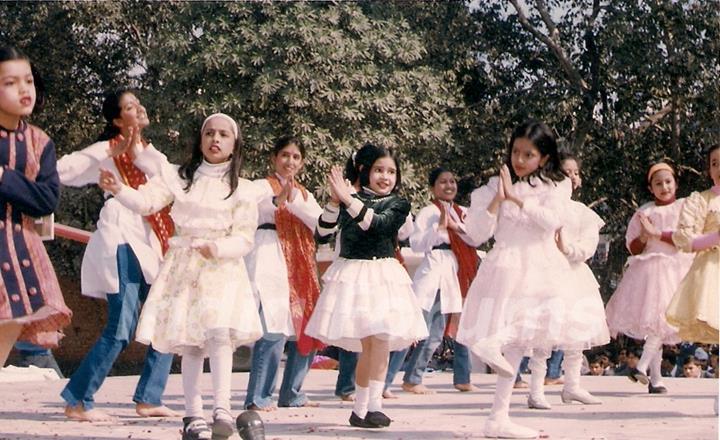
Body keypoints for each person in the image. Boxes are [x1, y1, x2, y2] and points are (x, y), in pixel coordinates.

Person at [99, 113, 264, 440]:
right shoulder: (178, 177)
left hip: (221, 268)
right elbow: (146, 202)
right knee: (190, 342)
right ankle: (193, 413)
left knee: (219, 336)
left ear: (234, 144)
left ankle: (223, 410)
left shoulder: (243, 190)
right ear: (200, 139)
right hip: (184, 266)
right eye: (209, 134)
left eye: (223, 135)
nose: (215, 140)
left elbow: (244, 239)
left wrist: (217, 248)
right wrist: (119, 189)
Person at [58, 89, 177, 421]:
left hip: (153, 242)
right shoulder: (106, 155)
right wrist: (110, 148)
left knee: (166, 319)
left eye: (137, 102)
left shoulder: (152, 155)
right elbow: (63, 170)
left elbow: (173, 181)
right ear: (115, 120)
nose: (138, 108)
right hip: (121, 238)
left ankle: (150, 397)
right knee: (121, 327)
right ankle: (78, 401)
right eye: (128, 106)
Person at [457, 120, 573, 438]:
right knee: (511, 335)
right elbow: (476, 234)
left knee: (527, 335)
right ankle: (490, 349)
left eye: (529, 154)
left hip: (540, 264)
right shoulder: (494, 185)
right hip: (506, 263)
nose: (519, 160)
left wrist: (518, 199)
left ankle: (498, 416)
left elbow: (553, 222)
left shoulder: (555, 187)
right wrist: (499, 198)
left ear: (545, 159)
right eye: (516, 152)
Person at [306, 143, 427, 429]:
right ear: (365, 171)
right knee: (368, 344)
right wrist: (335, 201)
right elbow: (322, 232)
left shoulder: (398, 204)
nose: (385, 177)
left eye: (391, 172)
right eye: (379, 170)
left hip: (383, 275)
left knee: (381, 340)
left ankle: (373, 406)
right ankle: (361, 408)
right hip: (355, 276)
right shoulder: (350, 201)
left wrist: (348, 200)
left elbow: (379, 225)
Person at [0, 45, 71, 375]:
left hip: (23, 253)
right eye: (10, 83)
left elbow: (46, 200)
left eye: (27, 80)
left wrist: (4, 178)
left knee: (12, 320)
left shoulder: (40, 142)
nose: (23, 90)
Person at [243, 135, 324, 410]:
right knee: (272, 329)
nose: (290, 161)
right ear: (274, 158)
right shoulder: (259, 186)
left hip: (299, 262)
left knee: (307, 326)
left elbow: (321, 223)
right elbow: (245, 212)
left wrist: (294, 202)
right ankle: (258, 397)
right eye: (285, 155)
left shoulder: (304, 193)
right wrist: (278, 200)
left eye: (296, 157)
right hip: (268, 255)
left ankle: (292, 393)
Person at [526, 152, 610, 409]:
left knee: (576, 334)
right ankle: (536, 389)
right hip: (547, 276)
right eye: (564, 172)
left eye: (574, 172)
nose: (570, 177)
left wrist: (567, 248)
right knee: (544, 334)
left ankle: (572, 386)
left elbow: (587, 247)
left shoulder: (583, 213)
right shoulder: (540, 211)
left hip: (575, 277)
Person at [605, 162, 693, 394]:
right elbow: (633, 247)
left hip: (677, 268)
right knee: (658, 321)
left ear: (675, 183)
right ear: (650, 187)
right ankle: (654, 377)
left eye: (668, 182)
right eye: (658, 183)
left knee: (662, 322)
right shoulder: (645, 212)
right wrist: (645, 236)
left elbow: (686, 238)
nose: (664, 187)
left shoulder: (685, 207)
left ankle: (646, 369)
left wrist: (658, 234)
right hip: (651, 272)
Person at [400, 166, 481, 394]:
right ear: (432, 188)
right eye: (443, 182)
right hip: (436, 272)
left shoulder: (462, 211)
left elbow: (476, 237)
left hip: (459, 273)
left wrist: (454, 225)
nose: (449, 186)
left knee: (463, 327)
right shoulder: (428, 212)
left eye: (452, 181)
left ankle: (462, 377)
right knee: (427, 330)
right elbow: (416, 244)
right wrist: (439, 227)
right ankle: (410, 379)